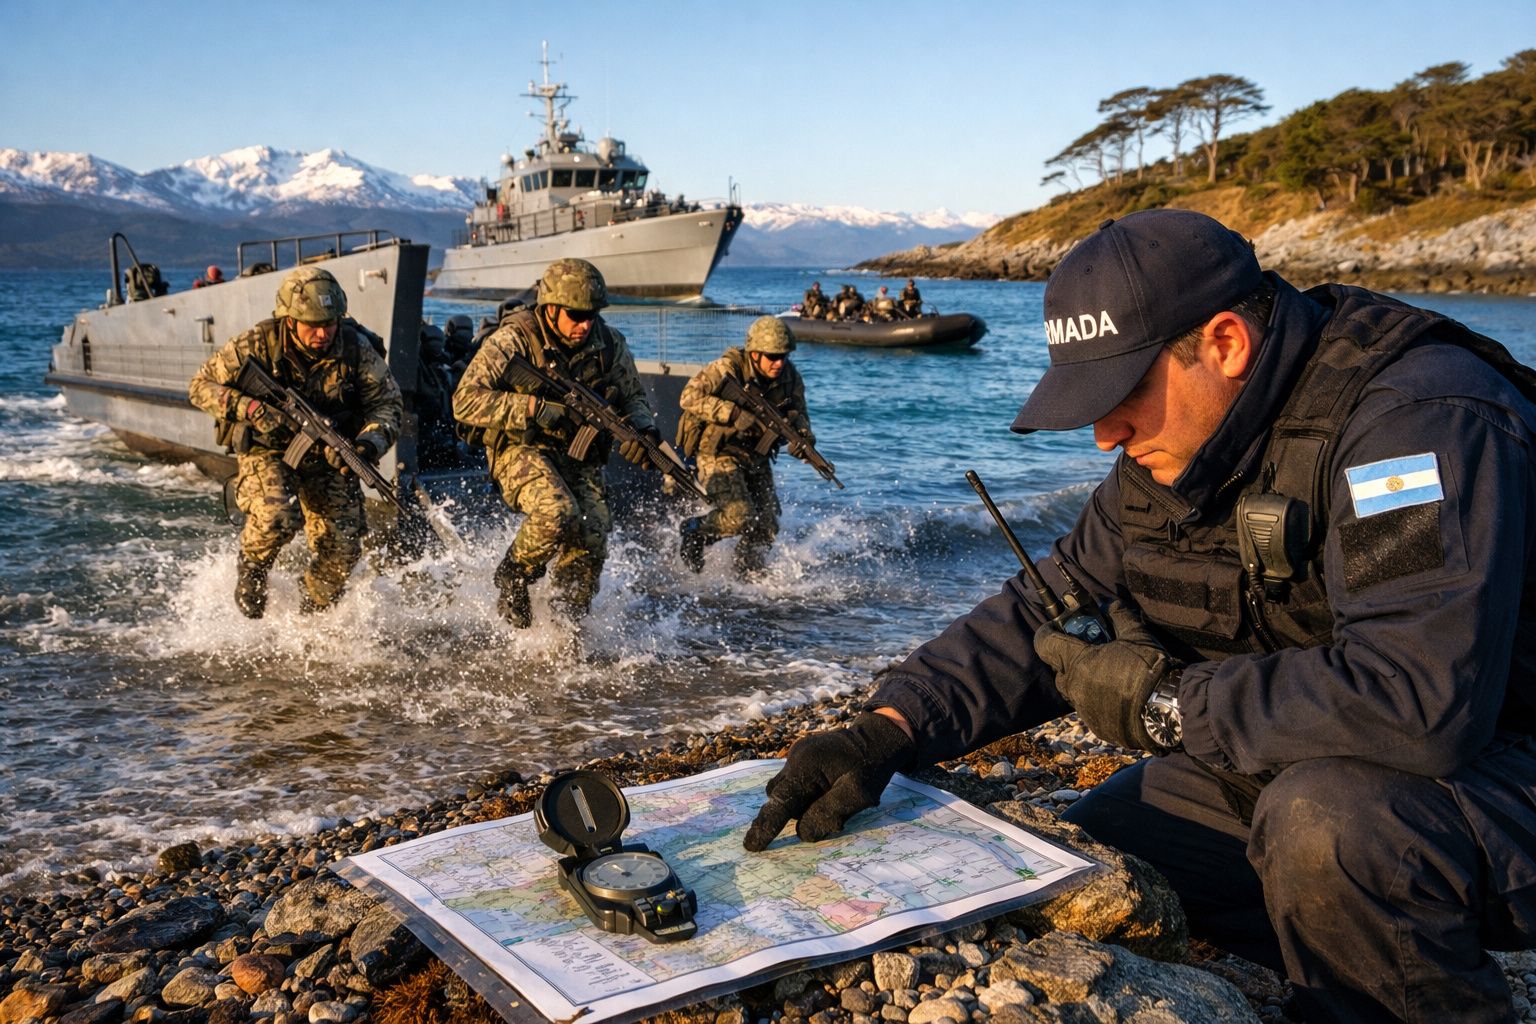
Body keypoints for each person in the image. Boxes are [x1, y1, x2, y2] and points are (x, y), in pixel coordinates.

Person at [743, 209, 1536, 1024]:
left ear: (1225, 344)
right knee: (1101, 853)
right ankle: (1349, 945)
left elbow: (1416, 697)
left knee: (1326, 826)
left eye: (1122, 393)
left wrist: (1169, 708)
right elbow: (1046, 611)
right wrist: (888, 727)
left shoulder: (1419, 420)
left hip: (1500, 760)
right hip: (1324, 758)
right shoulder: (1174, 453)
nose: (1102, 434)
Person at [452, 258, 661, 627]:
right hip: (520, 448)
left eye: (591, 315)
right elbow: (465, 401)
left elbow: (633, 397)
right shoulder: (513, 340)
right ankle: (514, 573)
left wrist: (642, 431)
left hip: (576, 452)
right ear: (550, 308)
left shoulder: (608, 343)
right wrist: (533, 408)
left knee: (593, 532)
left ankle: (565, 624)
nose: (584, 324)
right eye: (575, 315)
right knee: (557, 511)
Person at [188, 266, 403, 618]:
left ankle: (312, 610)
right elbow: (200, 386)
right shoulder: (255, 343)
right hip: (268, 447)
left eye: (329, 324)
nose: (322, 333)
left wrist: (367, 445)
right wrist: (249, 407)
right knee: (277, 515)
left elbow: (388, 404)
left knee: (345, 544)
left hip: (328, 453)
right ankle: (253, 567)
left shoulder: (357, 350)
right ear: (289, 320)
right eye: (312, 325)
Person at [675, 316, 816, 577]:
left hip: (755, 455)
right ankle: (695, 531)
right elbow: (688, 397)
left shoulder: (790, 377)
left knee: (768, 523)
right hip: (717, 451)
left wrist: (803, 440)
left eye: (783, 356)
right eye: (771, 356)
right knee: (739, 515)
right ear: (753, 354)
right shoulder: (728, 368)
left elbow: (801, 414)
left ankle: (746, 574)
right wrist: (732, 413)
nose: (779, 363)